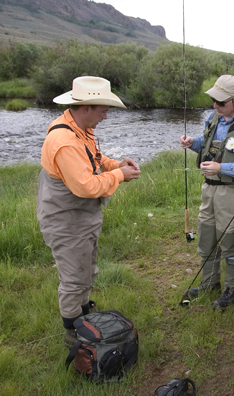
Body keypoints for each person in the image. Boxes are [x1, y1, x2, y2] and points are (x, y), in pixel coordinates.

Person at [37, 76, 141, 347]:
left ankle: (84, 318)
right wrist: (120, 174)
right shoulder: (64, 140)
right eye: (103, 110)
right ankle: (76, 341)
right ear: (86, 108)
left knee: (85, 271)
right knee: (73, 279)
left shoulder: (81, 128)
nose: (106, 116)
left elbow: (93, 159)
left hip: (82, 218)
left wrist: (114, 164)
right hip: (66, 220)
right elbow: (86, 186)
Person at [180, 75, 234, 310]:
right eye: (214, 101)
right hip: (208, 190)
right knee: (206, 239)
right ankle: (210, 284)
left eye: (220, 102)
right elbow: (207, 143)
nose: (215, 106)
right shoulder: (214, 118)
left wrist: (222, 168)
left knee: (231, 242)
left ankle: (232, 290)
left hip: (233, 191)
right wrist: (193, 143)